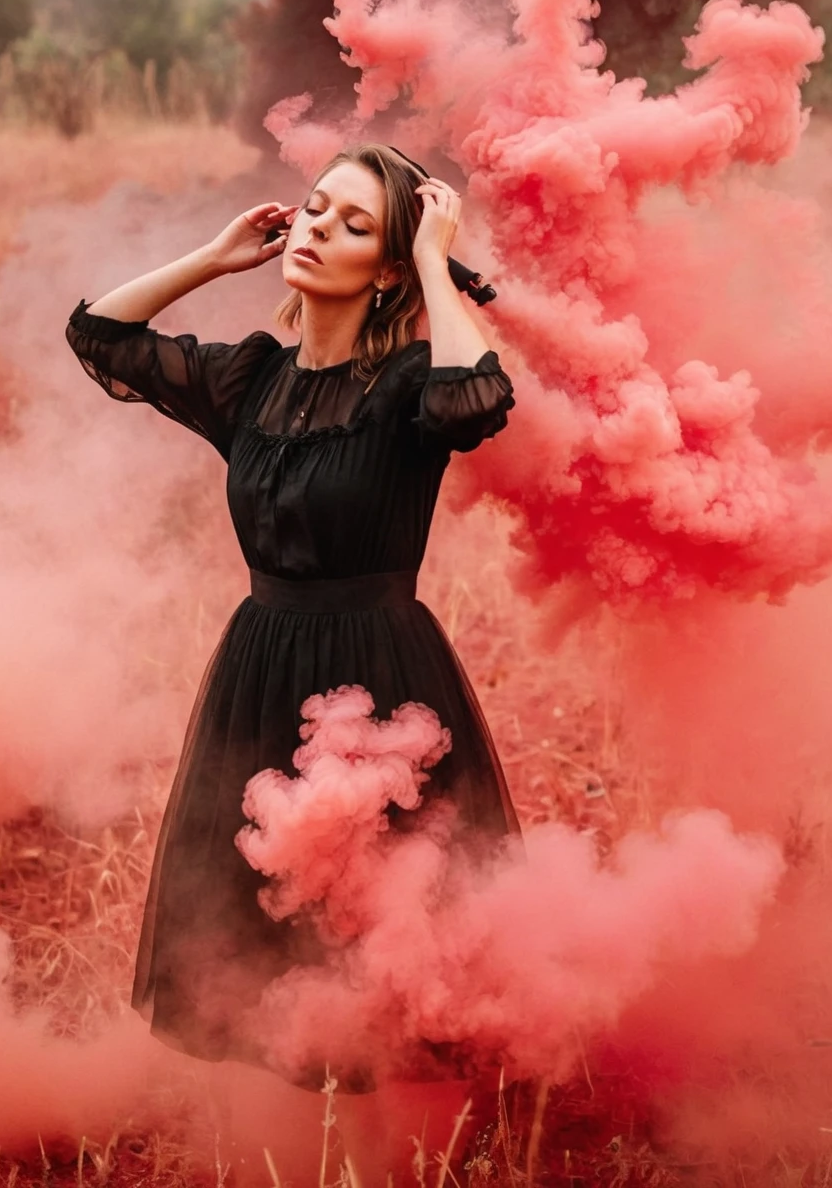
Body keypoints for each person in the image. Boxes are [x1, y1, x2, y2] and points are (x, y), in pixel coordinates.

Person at [64, 142, 521, 1088]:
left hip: (377, 681)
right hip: (261, 665)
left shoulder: (405, 391)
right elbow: (100, 334)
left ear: (387, 268)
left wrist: (436, 260)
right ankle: (308, 1127)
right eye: (315, 209)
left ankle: (393, 1134)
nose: (318, 229)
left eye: (355, 225)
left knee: (381, 920)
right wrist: (213, 256)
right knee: (265, 914)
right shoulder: (252, 382)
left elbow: (478, 397)